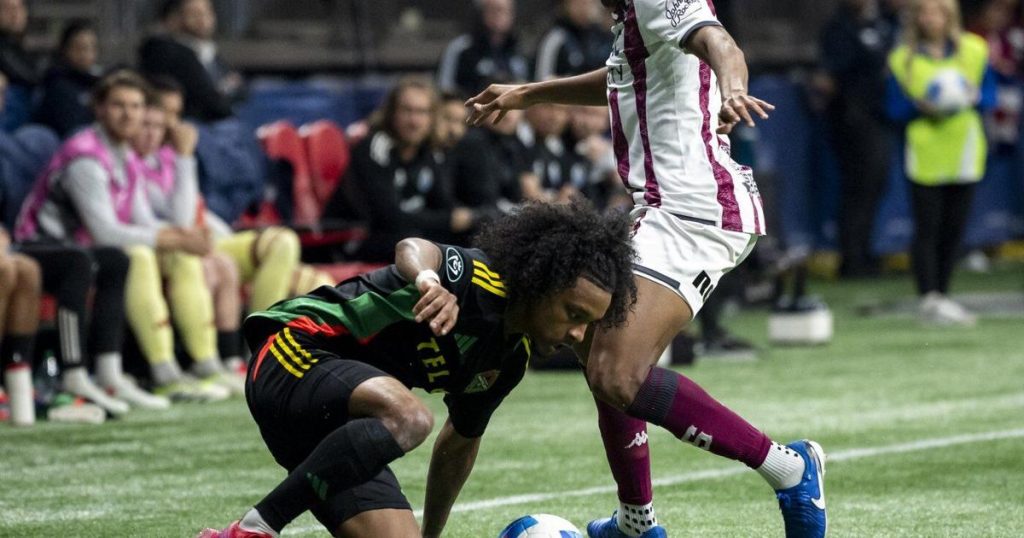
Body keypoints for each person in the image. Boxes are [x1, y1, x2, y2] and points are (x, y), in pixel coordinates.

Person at [467, 1, 827, 536]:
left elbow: (721, 43)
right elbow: (624, 80)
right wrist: (529, 94)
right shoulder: (631, 20)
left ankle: (789, 470)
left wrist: (731, 88)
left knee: (617, 372)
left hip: (694, 212)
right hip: (662, 210)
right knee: (597, 349)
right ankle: (636, 521)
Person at [196, 200, 638, 538]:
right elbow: (413, 248)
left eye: (589, 323)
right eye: (573, 314)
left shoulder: (507, 364)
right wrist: (429, 281)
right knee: (409, 418)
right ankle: (253, 529)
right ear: (541, 286)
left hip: (338, 429)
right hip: (294, 350)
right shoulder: (477, 278)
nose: (578, 334)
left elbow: (458, 447)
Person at [15, 69, 232, 401]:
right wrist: (177, 238)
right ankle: (143, 372)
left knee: (132, 258)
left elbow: (143, 219)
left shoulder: (126, 156)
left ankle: (142, 371)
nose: (129, 114)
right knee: (129, 256)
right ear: (100, 109)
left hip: (83, 249)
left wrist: (182, 239)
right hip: (41, 245)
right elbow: (104, 232)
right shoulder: (85, 156)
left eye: (136, 106)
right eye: (119, 105)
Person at [885, 0, 996, 326]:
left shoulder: (974, 50)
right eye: (923, 12)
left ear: (950, 16)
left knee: (954, 228)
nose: (929, 19)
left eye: (936, 12)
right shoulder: (902, 58)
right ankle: (928, 297)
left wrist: (973, 97)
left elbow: (989, 96)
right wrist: (919, 107)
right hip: (924, 151)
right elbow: (892, 108)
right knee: (927, 227)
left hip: (965, 149)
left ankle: (943, 296)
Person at [324, 77, 478, 262]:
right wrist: (448, 220)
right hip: (357, 239)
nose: (414, 121)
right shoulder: (373, 148)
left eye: (422, 112)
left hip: (409, 235)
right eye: (407, 111)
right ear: (392, 113)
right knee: (412, 241)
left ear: (433, 118)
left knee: (471, 236)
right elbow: (389, 217)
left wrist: (469, 218)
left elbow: (443, 204)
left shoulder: (430, 152)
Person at [817, 0, 899, 278]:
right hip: (852, 117)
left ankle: (865, 251)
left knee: (875, 184)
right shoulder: (839, 28)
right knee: (859, 186)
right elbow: (831, 73)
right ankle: (852, 258)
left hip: (879, 115)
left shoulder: (882, 23)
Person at [139, 0, 242, 122]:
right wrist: (225, 90)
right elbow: (211, 102)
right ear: (173, 19)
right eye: (195, 13)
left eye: (207, 11)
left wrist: (224, 91)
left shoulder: (208, 50)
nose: (203, 19)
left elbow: (240, 86)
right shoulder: (165, 51)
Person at [436, 0, 530, 98]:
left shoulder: (518, 51)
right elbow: (445, 89)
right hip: (469, 104)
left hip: (509, 105)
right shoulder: (461, 48)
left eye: (505, 11)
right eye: (494, 10)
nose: (500, 15)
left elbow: (526, 87)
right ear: (481, 12)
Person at [34, 19, 101, 138]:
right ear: (64, 50)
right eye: (79, 47)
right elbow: (71, 128)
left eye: (91, 47)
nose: (85, 54)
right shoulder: (56, 84)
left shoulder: (100, 83)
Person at [534, 0, 612, 81]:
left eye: (587, 2)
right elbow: (542, 80)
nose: (583, 7)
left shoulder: (598, 37)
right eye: (578, 3)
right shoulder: (557, 38)